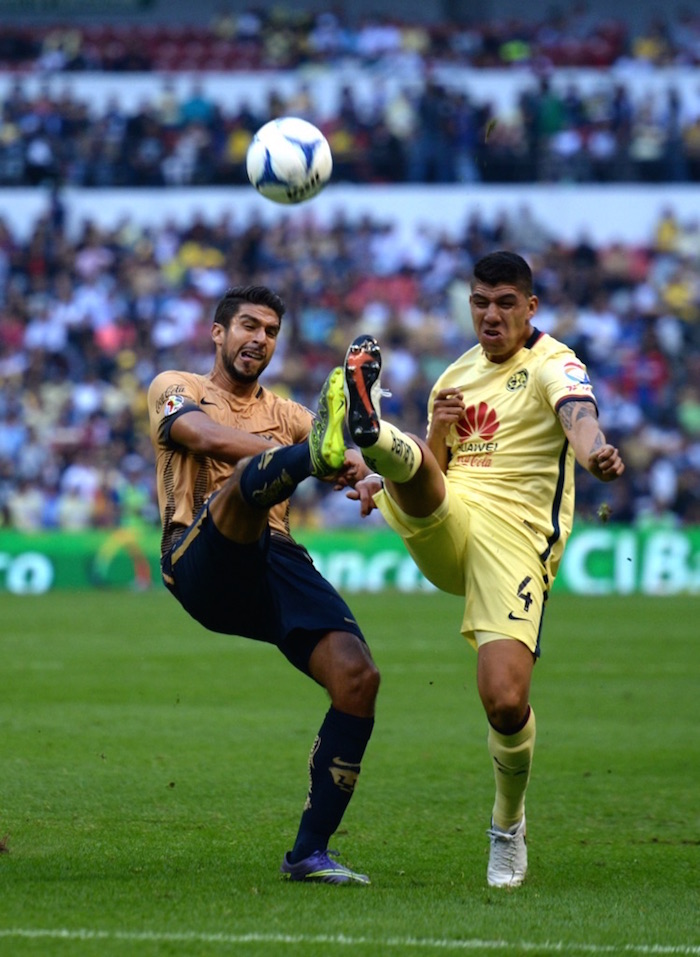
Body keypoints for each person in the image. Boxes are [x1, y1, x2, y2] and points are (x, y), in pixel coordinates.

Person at [341, 250, 625, 888]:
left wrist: (594, 452)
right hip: (453, 514)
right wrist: (432, 434)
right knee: (415, 460)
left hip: (516, 540)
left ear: (530, 307)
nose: (490, 315)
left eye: (504, 303)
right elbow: (439, 464)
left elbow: (577, 415)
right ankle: (371, 432)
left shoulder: (555, 363)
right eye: (480, 302)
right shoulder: (457, 374)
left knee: (503, 701)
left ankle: (507, 823)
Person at [146, 284, 378, 885]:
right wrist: (307, 458)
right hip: (197, 555)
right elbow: (199, 435)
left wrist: (365, 472)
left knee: (358, 678)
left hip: (277, 561)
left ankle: (308, 854)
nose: (260, 340)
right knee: (248, 477)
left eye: (271, 331)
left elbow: (351, 462)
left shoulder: (290, 414)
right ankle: (298, 462)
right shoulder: (177, 386)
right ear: (218, 333)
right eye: (248, 326)